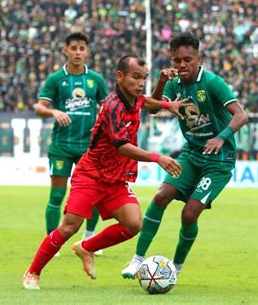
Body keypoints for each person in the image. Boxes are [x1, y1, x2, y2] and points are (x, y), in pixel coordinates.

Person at [22, 54, 190, 290]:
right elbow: (121, 146)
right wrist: (157, 157)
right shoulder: (113, 105)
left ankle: (86, 247)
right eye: (135, 77)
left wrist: (165, 104)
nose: (140, 83)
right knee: (70, 226)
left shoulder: (135, 99)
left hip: (115, 178)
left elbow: (147, 102)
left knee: (133, 224)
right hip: (91, 175)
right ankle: (32, 273)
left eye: (144, 78)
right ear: (120, 77)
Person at [121, 32, 249, 278]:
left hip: (218, 161)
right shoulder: (173, 84)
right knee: (161, 197)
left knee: (189, 213)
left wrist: (220, 137)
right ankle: (137, 260)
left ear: (198, 59)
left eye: (187, 60)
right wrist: (160, 82)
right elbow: (152, 108)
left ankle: (176, 268)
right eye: (177, 60)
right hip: (191, 154)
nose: (181, 65)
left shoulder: (212, 82)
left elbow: (241, 115)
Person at [35, 32, 107, 254]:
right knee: (57, 195)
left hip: (89, 147)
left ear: (87, 51)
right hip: (62, 145)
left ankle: (89, 239)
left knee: (93, 195)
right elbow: (39, 108)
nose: (77, 52)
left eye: (81, 48)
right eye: (73, 48)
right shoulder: (56, 79)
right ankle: (52, 242)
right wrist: (54, 111)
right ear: (65, 50)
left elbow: (106, 109)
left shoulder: (96, 80)